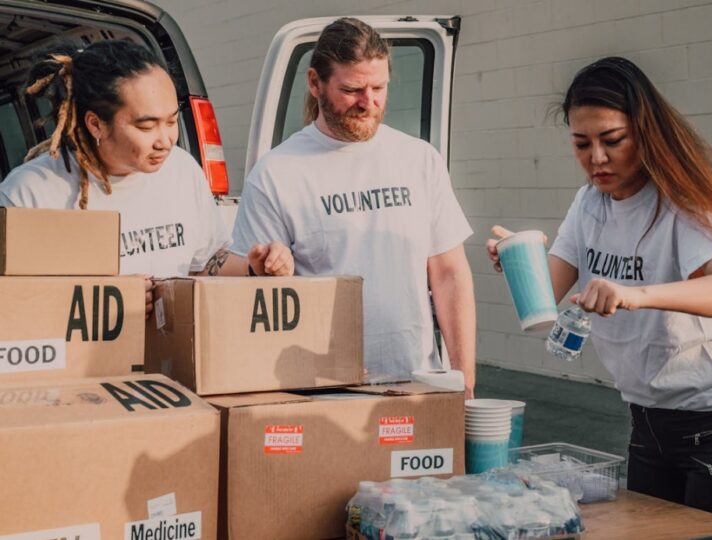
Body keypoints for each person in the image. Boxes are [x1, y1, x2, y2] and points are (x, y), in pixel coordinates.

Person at [487, 57, 712, 513]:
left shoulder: (680, 201)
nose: (597, 159)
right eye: (581, 144)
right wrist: (517, 260)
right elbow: (544, 299)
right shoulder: (590, 201)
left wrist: (636, 295)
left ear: (645, 132)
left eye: (612, 140)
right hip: (645, 419)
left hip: (710, 423)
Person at [231, 18, 476, 396]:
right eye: (352, 89)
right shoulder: (276, 174)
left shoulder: (419, 160)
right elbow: (260, 303)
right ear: (315, 83)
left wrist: (464, 381)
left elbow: (449, 274)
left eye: (379, 87)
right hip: (321, 391)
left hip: (418, 384)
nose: (369, 103)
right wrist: (264, 269)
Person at [0, 41, 293, 314]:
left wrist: (255, 268)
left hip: (168, 362)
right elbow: (13, 306)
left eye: (172, 121)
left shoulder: (182, 170)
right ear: (96, 124)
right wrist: (102, 303)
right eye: (147, 126)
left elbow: (202, 267)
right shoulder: (30, 194)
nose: (165, 140)